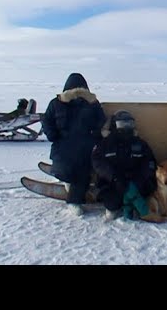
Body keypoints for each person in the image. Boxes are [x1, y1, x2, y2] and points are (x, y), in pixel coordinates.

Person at [42, 73, 107, 216]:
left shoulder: (57, 102)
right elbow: (101, 120)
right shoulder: (91, 103)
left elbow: (46, 121)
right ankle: (73, 196)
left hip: (75, 146)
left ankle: (74, 201)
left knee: (78, 174)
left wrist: (52, 134)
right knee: (76, 173)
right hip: (72, 145)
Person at [92, 110, 158, 222]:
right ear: (115, 125)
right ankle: (121, 206)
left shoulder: (140, 144)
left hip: (136, 181)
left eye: (130, 124)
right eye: (122, 124)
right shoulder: (105, 144)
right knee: (112, 203)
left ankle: (134, 206)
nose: (126, 127)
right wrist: (114, 177)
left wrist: (140, 179)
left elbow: (150, 162)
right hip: (112, 182)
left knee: (145, 193)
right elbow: (98, 163)